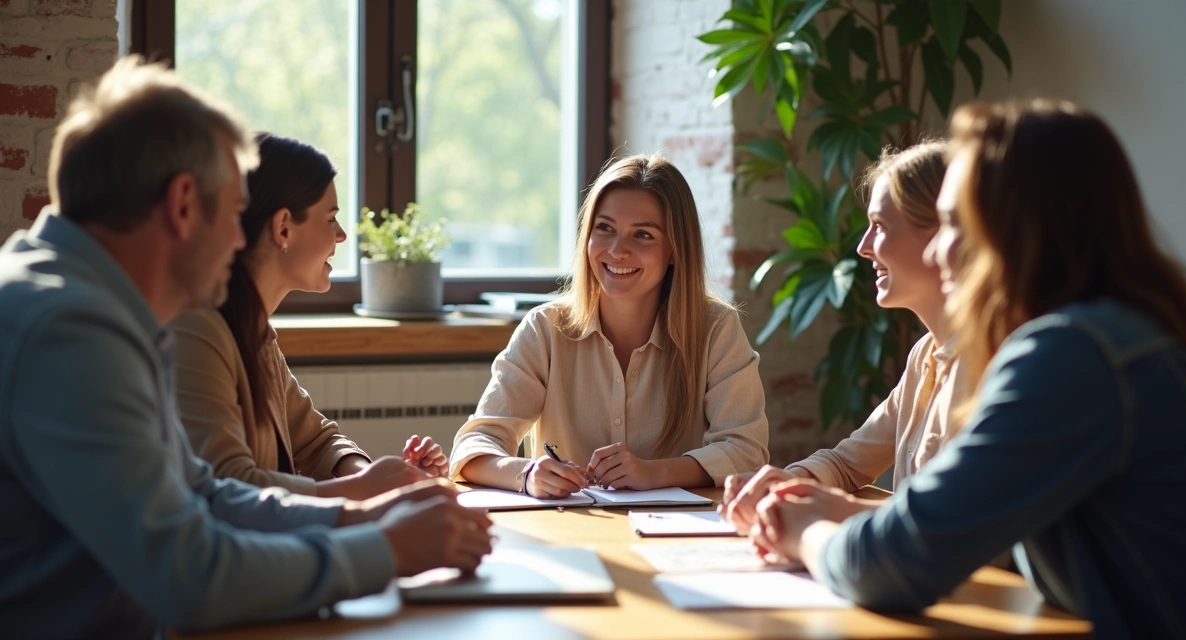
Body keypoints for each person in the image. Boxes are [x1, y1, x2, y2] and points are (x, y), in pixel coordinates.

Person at [0, 57, 491, 637]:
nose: (240, 239)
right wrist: (384, 550)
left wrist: (358, 515)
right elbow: (187, 576)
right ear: (183, 204)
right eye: (235, 213)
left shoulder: (107, 305)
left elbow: (204, 492)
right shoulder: (69, 329)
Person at [751, 100, 1186, 638]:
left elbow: (892, 565)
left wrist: (806, 532)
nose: (941, 253)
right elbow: (968, 528)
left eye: (953, 224)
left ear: (1011, 229)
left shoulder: (1069, 355)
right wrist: (834, 508)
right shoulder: (1131, 334)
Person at [449, 154, 769, 497]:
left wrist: (654, 473)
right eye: (605, 228)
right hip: (572, 531)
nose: (618, 250)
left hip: (680, 537)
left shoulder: (715, 328)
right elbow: (474, 446)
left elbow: (746, 452)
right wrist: (525, 473)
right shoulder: (544, 329)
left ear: (675, 249)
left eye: (643, 235)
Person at [172, 133, 445, 500]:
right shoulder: (199, 332)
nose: (343, 235)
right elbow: (228, 485)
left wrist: (382, 479)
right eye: (331, 218)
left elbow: (316, 442)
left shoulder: (255, 332)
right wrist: (361, 490)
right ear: (283, 227)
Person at [721, 142, 961, 533]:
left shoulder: (995, 364)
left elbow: (952, 525)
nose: (862, 248)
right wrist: (783, 485)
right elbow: (846, 463)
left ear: (941, 232)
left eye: (880, 226)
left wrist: (831, 509)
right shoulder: (925, 356)